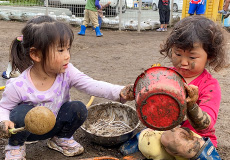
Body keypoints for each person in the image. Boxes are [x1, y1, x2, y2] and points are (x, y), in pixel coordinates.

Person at [0, 15, 135, 160]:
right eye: (60, 50)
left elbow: (91, 84)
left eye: (68, 49)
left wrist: (119, 91)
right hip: (28, 131)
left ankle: (61, 138)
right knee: (20, 113)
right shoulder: (18, 85)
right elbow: (4, 108)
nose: (67, 56)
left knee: (78, 108)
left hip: (55, 125)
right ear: (36, 54)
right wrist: (4, 121)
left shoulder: (67, 72)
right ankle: (15, 146)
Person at [139, 15, 227, 159]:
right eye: (178, 54)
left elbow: (205, 125)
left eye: (192, 57)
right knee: (146, 139)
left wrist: (192, 105)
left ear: (209, 56)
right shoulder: (167, 75)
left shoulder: (210, 86)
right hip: (167, 132)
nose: (183, 62)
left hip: (195, 138)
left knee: (175, 141)